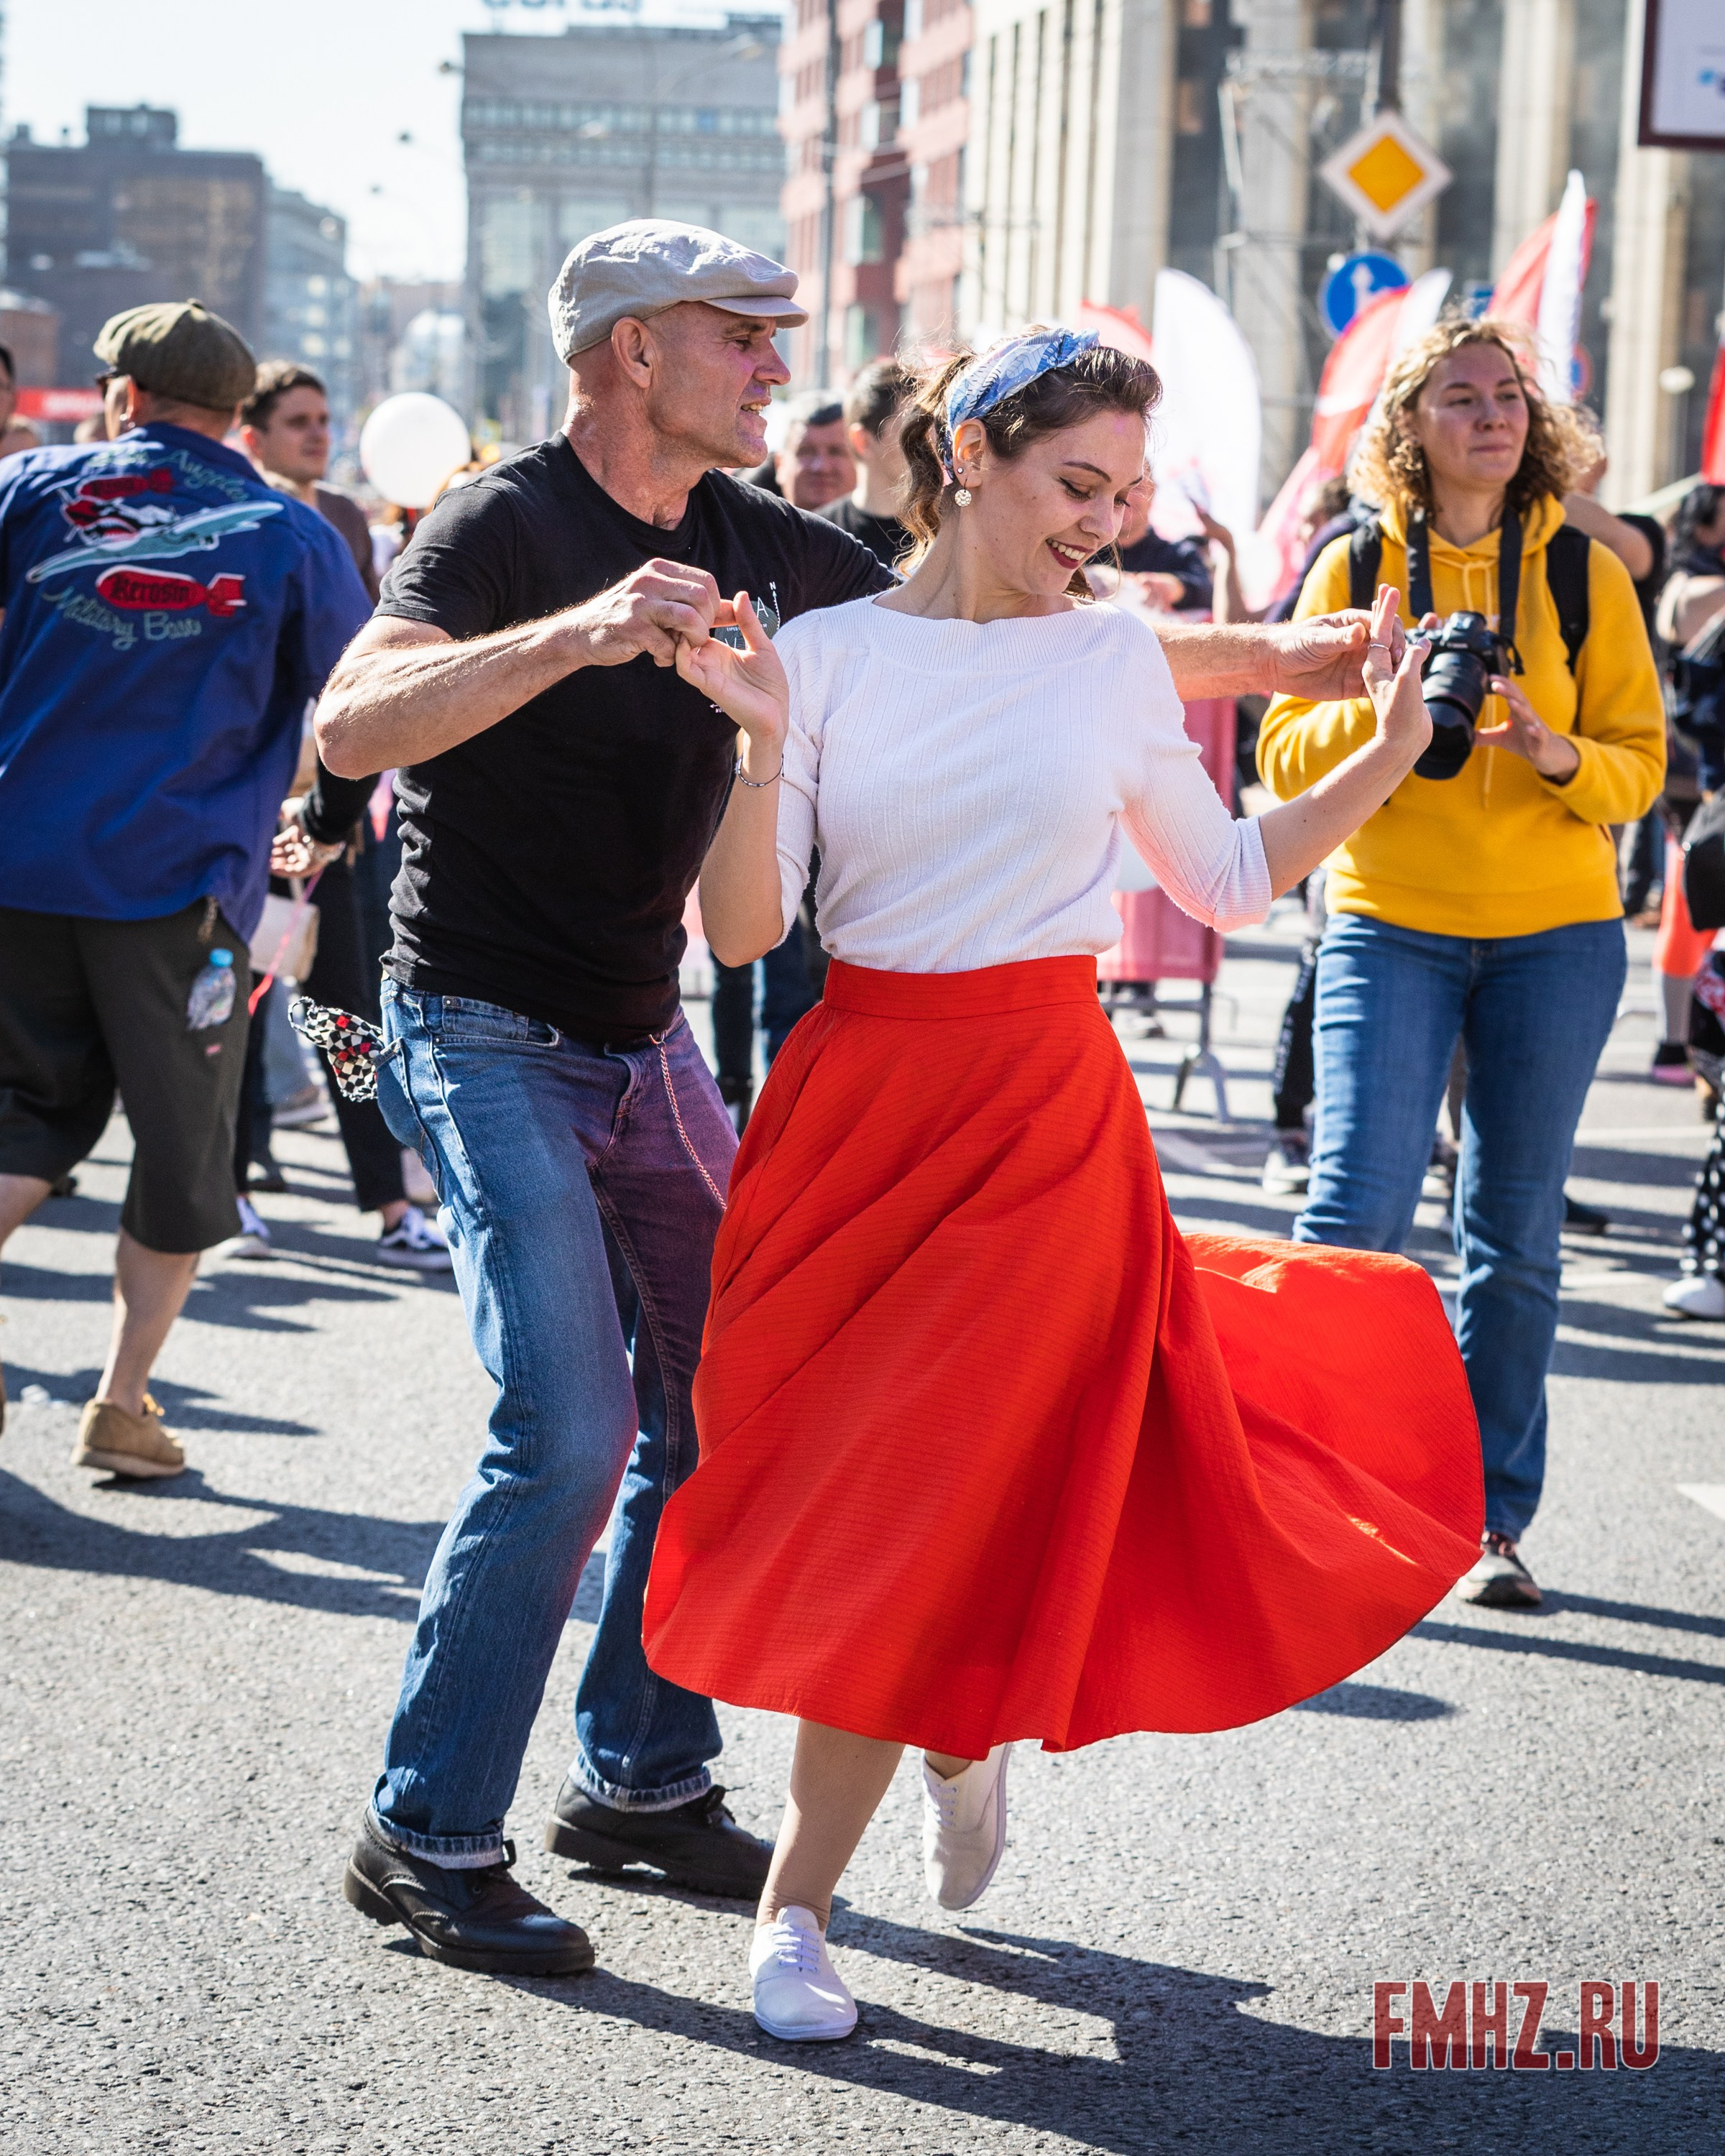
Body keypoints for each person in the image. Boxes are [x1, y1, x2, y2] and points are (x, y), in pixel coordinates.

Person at [313, 226, 1409, 1979]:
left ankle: (645, 1775)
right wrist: (584, 634)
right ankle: (424, 1825)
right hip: (474, 1019)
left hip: (646, 1031)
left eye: (775, 340)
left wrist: (1295, 661)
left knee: (735, 1408)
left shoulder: (778, 543)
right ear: (626, 350)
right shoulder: (501, 520)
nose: (775, 367)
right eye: (737, 337)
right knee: (574, 1427)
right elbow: (352, 730)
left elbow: (1016, 636)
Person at [638, 327, 1482, 2042]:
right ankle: (952, 1725)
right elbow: (741, 935)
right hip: (855, 1106)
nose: (1096, 525)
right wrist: (743, 747)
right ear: (966, 455)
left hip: (1042, 1117)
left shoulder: (1108, 660)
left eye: (1120, 493)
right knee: (826, 1470)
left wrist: (1382, 749)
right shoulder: (817, 652)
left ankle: (795, 1908)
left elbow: (1231, 880)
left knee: (914, 1491)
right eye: (1070, 484)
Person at [1256, 316, 1665, 1613]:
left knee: (1513, 1240)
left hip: (1558, 934)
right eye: (1459, 397)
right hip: (1389, 920)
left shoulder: (1590, 575)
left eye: (1507, 397)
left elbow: (1641, 770)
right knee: (1352, 1221)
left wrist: (1552, 753)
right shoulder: (1358, 559)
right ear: (1408, 426)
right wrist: (1386, 721)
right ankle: (1298, 1501)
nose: (1491, 416)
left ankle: (1487, 1521)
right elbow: (1277, 760)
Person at [0, 300, 372, 1461]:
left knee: (26, 1116)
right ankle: (120, 1403)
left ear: (126, 394)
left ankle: (123, 1404)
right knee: (179, 1153)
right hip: (177, 890)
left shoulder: (29, 490)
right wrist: (333, 818)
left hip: (20, 864)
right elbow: (360, 707)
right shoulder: (288, 529)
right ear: (236, 414)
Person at [237, 360, 448, 1270]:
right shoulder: (241, 530)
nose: (318, 436)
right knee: (234, 1014)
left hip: (335, 814)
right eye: (297, 422)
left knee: (346, 1013)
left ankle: (391, 1207)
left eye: (325, 420)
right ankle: (232, 1186)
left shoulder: (346, 525)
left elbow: (363, 685)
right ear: (252, 434)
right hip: (248, 819)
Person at [817, 358, 912, 567]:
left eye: (931, 426)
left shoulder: (949, 533)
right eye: (910, 430)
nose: (929, 441)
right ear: (863, 440)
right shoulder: (820, 537)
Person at [744, 390, 855, 510]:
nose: (821, 467)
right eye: (806, 452)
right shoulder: (741, 524)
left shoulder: (877, 527)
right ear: (780, 464)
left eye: (836, 452)